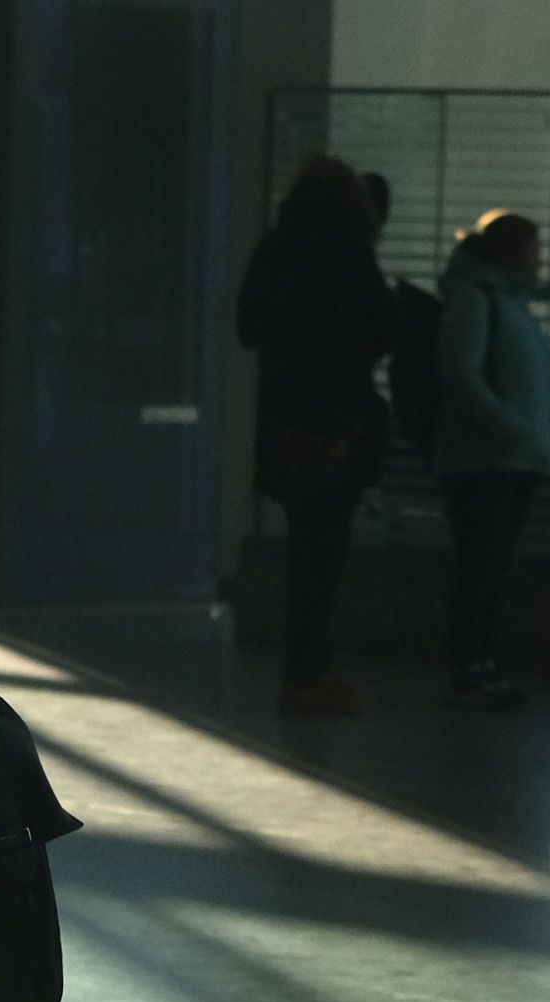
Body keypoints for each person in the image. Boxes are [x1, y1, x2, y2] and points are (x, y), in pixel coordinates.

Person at [236, 155, 392, 717]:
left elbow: (247, 327)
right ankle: (310, 671)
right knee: (324, 556)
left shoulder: (275, 249)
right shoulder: (349, 252)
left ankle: (304, 670)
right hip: (337, 424)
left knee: (305, 549)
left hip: (285, 424)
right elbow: (376, 330)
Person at [434, 209, 550, 709]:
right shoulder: (477, 302)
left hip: (513, 460)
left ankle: (483, 662)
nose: (539, 261)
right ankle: (471, 664)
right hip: (485, 461)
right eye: (533, 249)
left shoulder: (510, 304)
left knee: (493, 568)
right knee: (481, 566)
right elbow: (462, 376)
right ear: (513, 253)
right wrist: (514, 431)